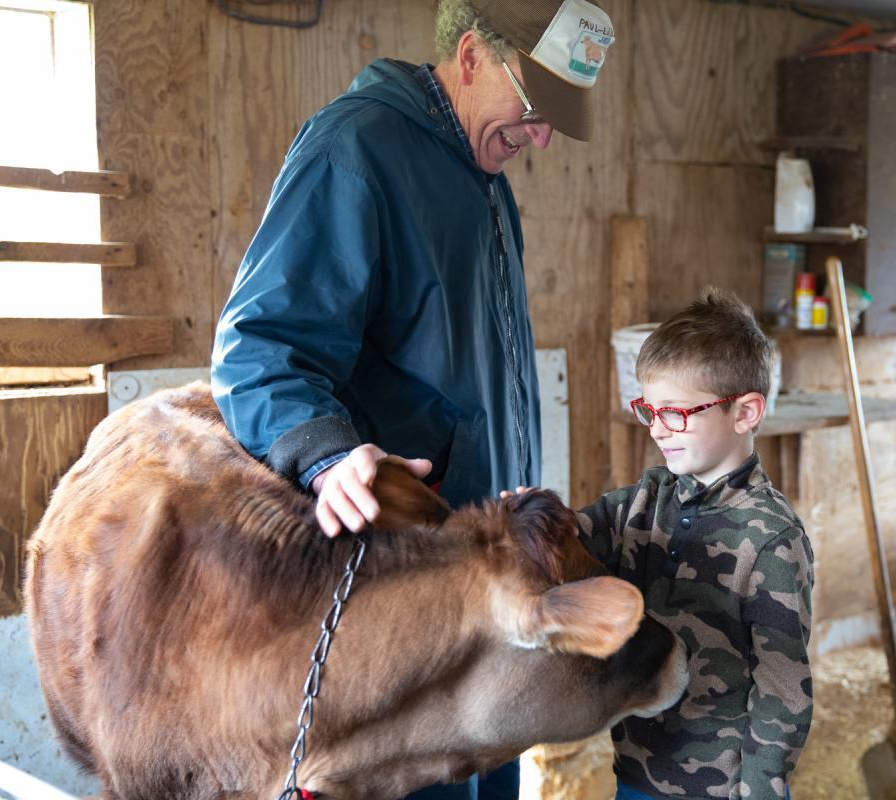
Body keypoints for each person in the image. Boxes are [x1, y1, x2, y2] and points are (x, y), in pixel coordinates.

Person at [209, 1, 617, 798]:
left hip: (483, 583)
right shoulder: (357, 149)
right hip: (397, 597)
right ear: (470, 57)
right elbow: (258, 347)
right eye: (535, 109)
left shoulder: (484, 176)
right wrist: (327, 454)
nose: (540, 137)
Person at [575, 289, 814, 800]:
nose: (659, 430)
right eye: (649, 410)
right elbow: (572, 535)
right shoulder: (644, 500)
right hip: (636, 772)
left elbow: (781, 691)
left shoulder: (770, 539)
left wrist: (762, 791)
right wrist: (528, 517)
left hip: (720, 789)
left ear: (745, 412)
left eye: (677, 413)